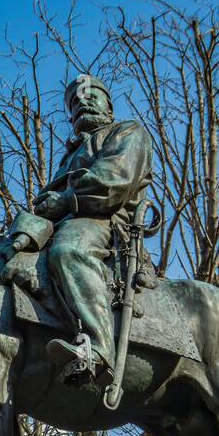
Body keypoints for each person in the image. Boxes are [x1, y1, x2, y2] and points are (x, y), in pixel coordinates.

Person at [33, 74, 152, 383]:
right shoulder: (68, 157)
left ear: (108, 106)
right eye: (74, 101)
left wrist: (66, 200)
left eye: (90, 95)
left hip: (107, 222)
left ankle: (97, 348)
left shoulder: (127, 132)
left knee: (69, 251)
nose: (82, 101)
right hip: (63, 222)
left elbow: (114, 181)